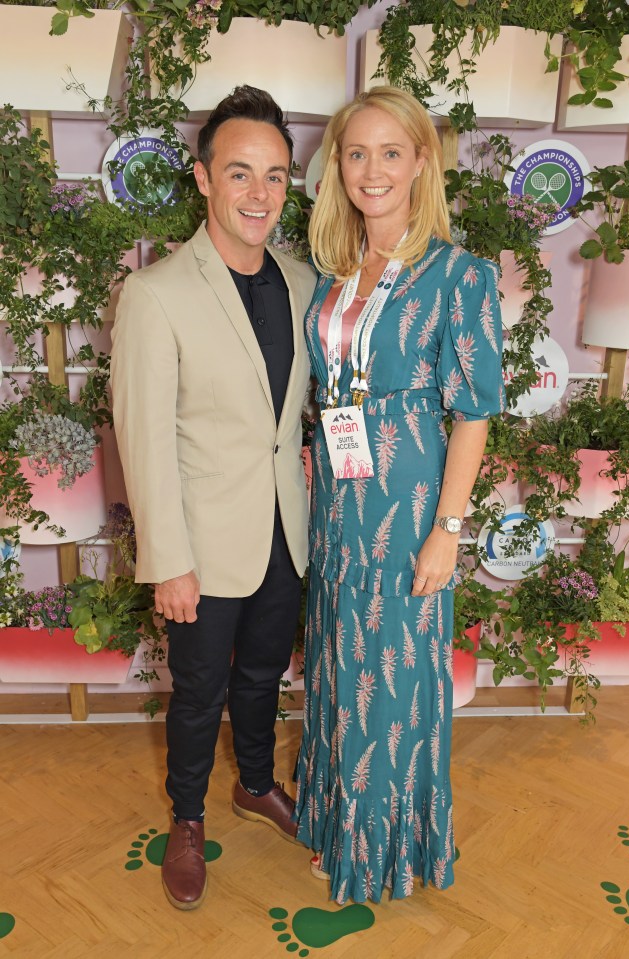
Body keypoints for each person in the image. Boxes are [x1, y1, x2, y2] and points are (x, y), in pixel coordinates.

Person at [294, 86, 506, 905]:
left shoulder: (460, 275)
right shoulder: (334, 271)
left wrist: (448, 527)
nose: (372, 169)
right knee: (340, 668)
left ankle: (383, 844)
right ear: (337, 166)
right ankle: (335, 817)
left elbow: (476, 411)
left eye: (391, 152)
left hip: (411, 497)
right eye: (356, 153)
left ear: (423, 161)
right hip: (339, 499)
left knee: (394, 671)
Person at [110, 85, 315, 911]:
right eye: (240, 173)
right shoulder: (156, 293)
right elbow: (143, 437)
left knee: (265, 671)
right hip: (200, 543)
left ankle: (256, 782)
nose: (259, 193)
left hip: (284, 531)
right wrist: (170, 562)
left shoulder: (302, 284)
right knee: (200, 692)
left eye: (274, 175)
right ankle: (188, 818)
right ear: (203, 180)